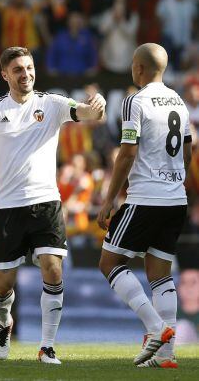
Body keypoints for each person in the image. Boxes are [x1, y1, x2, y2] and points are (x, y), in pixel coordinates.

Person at [0, 46, 106, 364]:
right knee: (3, 283)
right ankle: (4, 323)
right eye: (18, 69)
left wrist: (99, 106)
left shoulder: (52, 104)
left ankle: (47, 346)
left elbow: (88, 113)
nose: (26, 74)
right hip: (8, 207)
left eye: (29, 67)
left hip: (46, 203)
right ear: (6, 75)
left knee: (53, 269)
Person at [97, 43, 190, 369]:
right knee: (160, 275)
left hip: (146, 198)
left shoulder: (134, 101)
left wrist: (109, 199)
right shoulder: (179, 101)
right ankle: (166, 355)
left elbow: (127, 152)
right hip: (176, 199)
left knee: (109, 262)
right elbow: (188, 152)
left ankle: (156, 329)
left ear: (137, 68)